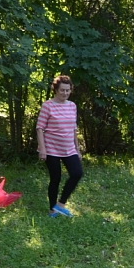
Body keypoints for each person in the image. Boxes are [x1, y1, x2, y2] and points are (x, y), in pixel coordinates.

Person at [36, 75, 83, 217]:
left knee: (77, 173)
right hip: (51, 149)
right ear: (56, 89)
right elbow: (40, 128)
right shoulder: (47, 105)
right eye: (62, 90)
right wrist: (42, 148)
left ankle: (60, 204)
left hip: (69, 148)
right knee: (55, 178)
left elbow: (74, 129)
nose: (65, 93)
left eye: (68, 90)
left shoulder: (72, 106)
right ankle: (52, 209)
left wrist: (77, 149)